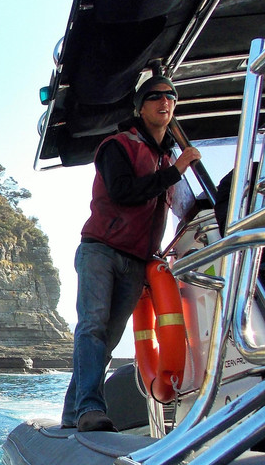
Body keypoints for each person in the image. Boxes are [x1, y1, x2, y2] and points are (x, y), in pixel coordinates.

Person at [62, 76, 202, 432]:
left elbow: (184, 208)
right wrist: (174, 171)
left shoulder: (169, 158)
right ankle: (90, 408)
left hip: (136, 261)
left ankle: (72, 413)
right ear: (141, 107)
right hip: (100, 252)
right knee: (92, 327)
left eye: (171, 97)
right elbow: (124, 191)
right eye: (155, 97)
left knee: (107, 340)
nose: (164, 102)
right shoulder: (118, 146)